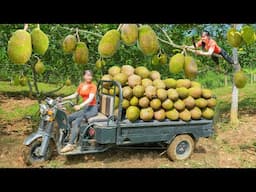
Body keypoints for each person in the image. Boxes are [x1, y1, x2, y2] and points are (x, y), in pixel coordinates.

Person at [60, 70, 98, 153]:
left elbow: (90, 98)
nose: (89, 77)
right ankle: (71, 136)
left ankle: (70, 144)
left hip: (92, 109)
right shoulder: (81, 85)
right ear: (84, 76)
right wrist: (63, 99)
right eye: (87, 75)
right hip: (85, 109)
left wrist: (80, 106)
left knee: (76, 122)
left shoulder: (93, 86)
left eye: (91, 75)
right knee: (69, 118)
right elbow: (75, 95)